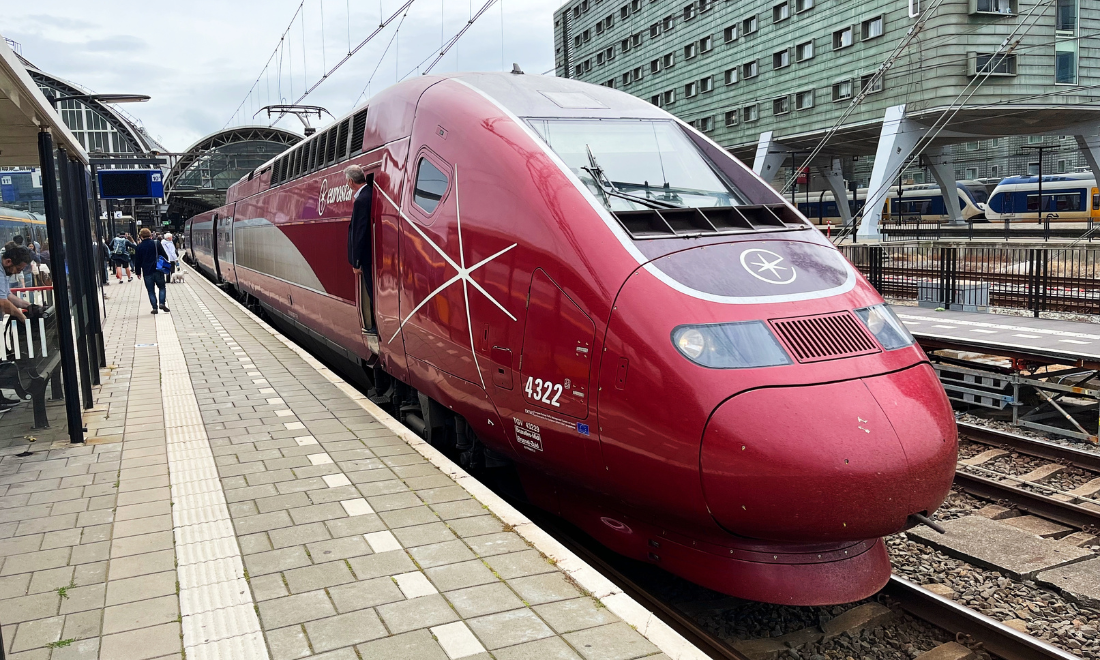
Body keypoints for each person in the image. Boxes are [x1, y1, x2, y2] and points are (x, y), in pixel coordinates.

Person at [345, 164, 375, 333]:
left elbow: (359, 232)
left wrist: (356, 262)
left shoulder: (362, 199)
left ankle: (375, 326)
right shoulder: (368, 194)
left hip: (366, 258)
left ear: (350, 181)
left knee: (371, 290)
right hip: (369, 256)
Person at [134, 228, 170, 314]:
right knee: (162, 287)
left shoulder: (139, 247)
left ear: (141, 236)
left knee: (150, 291)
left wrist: (138, 272)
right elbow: (165, 256)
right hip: (158, 270)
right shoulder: (156, 243)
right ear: (150, 235)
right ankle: (162, 303)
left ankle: (154, 308)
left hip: (147, 272)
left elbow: (137, 261)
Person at [0, 245, 32, 322]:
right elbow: (2, 302)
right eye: (18, 269)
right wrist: (22, 317)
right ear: (8, 262)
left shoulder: (6, 270)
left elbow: (8, 295)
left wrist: (29, 306)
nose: (18, 273)